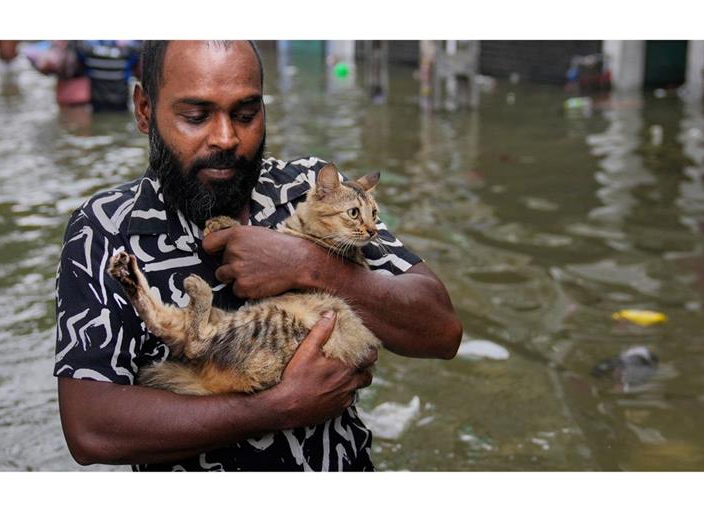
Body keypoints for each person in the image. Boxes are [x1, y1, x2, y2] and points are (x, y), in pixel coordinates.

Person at [54, 40, 463, 471]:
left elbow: (442, 331)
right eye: (196, 116)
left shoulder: (308, 190)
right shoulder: (104, 229)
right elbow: (90, 429)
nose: (227, 137)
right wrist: (276, 408)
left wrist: (308, 264)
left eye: (246, 114)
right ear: (143, 110)